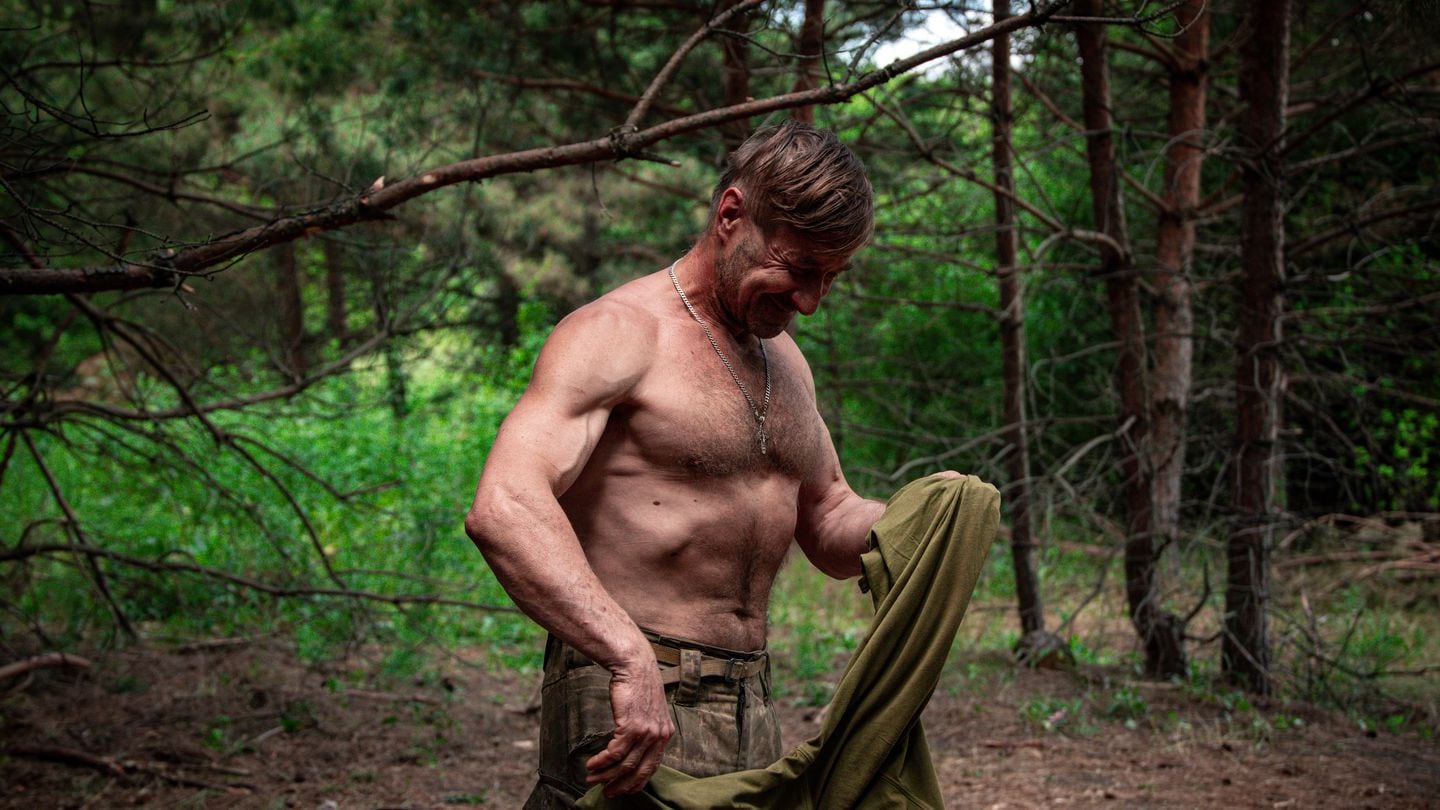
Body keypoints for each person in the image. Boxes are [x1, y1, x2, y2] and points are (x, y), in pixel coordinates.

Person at [465, 122, 941, 808]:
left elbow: (830, 515)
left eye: (830, 279)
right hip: (629, 691)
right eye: (799, 268)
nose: (809, 300)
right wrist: (626, 658)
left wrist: (924, 516)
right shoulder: (620, 332)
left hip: (749, 699)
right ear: (730, 215)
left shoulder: (786, 361)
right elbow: (504, 507)